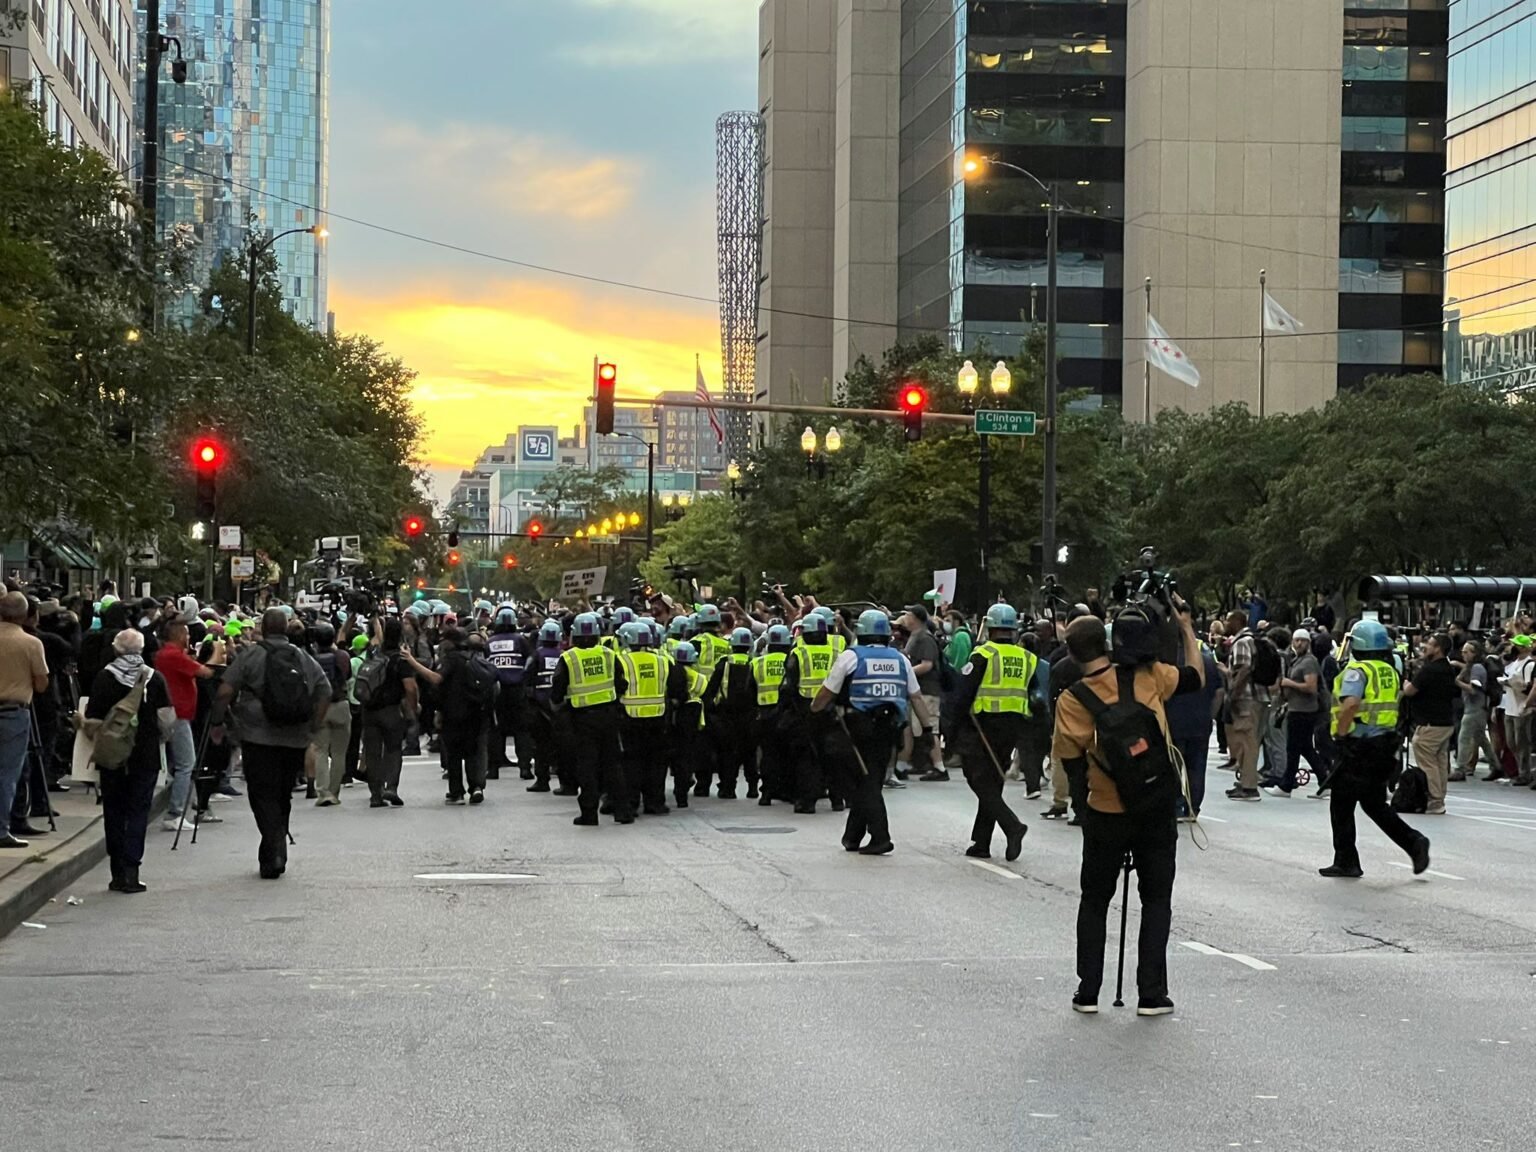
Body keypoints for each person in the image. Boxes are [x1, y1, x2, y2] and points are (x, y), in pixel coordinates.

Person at [1052, 602, 1206, 1017]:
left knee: (1095, 899)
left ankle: (1088, 989)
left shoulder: (1072, 700)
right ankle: (1152, 993)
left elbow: (1068, 762)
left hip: (1105, 810)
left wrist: (1083, 810)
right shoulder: (1149, 675)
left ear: (1071, 654)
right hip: (1155, 806)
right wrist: (1186, 630)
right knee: (1156, 899)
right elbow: (1195, 677)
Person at [211, 609, 331, 879]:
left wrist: (220, 720)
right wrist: (313, 725)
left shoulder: (251, 656)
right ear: (286, 629)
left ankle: (274, 845)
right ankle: (275, 846)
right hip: (294, 737)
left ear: (262, 628)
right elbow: (325, 691)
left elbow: (225, 691)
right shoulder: (302, 657)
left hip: (257, 736)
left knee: (261, 794)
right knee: (282, 793)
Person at [811, 610, 935, 856]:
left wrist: (813, 711)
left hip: (856, 729)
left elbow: (827, 692)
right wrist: (928, 730)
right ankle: (853, 836)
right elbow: (916, 697)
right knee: (872, 778)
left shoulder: (851, 657)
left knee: (859, 782)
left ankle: (880, 836)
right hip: (890, 730)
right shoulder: (900, 659)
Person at [1320, 619, 1431, 878]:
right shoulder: (1388, 670)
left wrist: (1340, 731)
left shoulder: (1356, 671)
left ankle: (1347, 860)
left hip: (1359, 746)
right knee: (1374, 804)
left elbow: (1350, 705)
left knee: (1341, 804)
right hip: (1383, 746)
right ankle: (1413, 842)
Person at [83, 629, 173, 892]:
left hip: (113, 756)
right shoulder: (154, 679)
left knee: (113, 809)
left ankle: (117, 870)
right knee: (137, 811)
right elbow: (167, 720)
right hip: (145, 755)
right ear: (142, 649)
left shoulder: (105, 678)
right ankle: (132, 869)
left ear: (116, 649)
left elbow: (94, 720)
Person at [953, 603, 1033, 861]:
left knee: (978, 779)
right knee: (993, 782)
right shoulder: (1026, 657)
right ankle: (981, 842)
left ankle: (1012, 826)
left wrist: (951, 733)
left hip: (981, 726)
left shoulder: (983, 654)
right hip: (1012, 728)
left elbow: (963, 695)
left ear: (990, 627)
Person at [550, 612, 630, 825]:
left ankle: (589, 813)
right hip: (609, 716)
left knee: (587, 766)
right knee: (613, 765)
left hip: (582, 719)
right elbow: (622, 683)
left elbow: (557, 690)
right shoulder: (609, 654)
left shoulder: (569, 658)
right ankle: (623, 811)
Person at [406, 626, 495, 805]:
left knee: (454, 754)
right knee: (472, 752)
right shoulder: (474, 657)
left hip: (454, 712)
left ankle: (457, 792)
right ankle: (476, 787)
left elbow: (437, 679)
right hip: (476, 711)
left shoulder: (451, 659)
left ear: (450, 641)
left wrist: (412, 661)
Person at [151, 617, 218, 831]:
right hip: (178, 715)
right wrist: (217, 650)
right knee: (186, 763)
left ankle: (183, 806)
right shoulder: (172, 655)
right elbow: (206, 672)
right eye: (187, 633)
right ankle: (175, 812)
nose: (189, 637)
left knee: (180, 763)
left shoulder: (170, 655)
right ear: (179, 635)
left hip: (178, 713)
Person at [617, 621, 685, 815]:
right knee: (656, 764)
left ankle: (631, 802)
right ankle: (655, 802)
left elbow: (616, 687)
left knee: (631, 763)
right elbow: (677, 688)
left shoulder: (621, 661)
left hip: (630, 719)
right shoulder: (663, 661)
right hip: (658, 719)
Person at [0, 591, 51, 849]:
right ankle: (2, 828)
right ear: (25, 615)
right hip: (14, 710)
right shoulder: (31, 643)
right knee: (8, 773)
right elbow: (42, 683)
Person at [780, 611, 841, 811]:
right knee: (833, 755)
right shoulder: (836, 649)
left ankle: (808, 801)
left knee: (807, 757)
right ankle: (837, 799)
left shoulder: (799, 652)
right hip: (832, 709)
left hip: (805, 710)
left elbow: (788, 686)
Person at [1164, 614, 1222, 819]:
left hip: (1173, 720)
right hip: (1201, 721)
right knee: (1197, 766)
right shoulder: (1207, 660)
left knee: (1174, 766)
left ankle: (1177, 803)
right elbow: (1218, 692)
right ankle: (1193, 806)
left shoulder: (1167, 662)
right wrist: (1211, 716)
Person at [360, 617, 419, 808]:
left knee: (372, 753)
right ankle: (391, 787)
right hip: (391, 710)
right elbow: (410, 687)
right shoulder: (400, 659)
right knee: (393, 750)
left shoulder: (373, 653)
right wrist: (411, 708)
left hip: (369, 710)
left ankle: (375, 794)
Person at [1400, 632, 1459, 815]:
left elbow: (1410, 691)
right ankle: (1439, 797)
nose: (1425, 646)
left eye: (1430, 644)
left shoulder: (1429, 670)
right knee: (1440, 761)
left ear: (1438, 648)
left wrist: (1405, 683)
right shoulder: (1449, 669)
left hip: (1429, 723)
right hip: (1445, 721)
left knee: (1427, 762)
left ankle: (1434, 799)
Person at [1267, 627, 1326, 798]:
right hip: (1296, 708)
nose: (1298, 643)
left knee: (1293, 748)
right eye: (1296, 640)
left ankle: (1286, 786)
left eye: (1302, 640)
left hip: (1303, 711)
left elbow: (1311, 687)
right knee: (1306, 748)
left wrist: (1289, 683)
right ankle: (1325, 781)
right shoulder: (1297, 660)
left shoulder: (1309, 662)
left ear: (1308, 643)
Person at [705, 627, 758, 799]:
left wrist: (709, 707)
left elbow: (712, 688)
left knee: (727, 752)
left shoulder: (724, 662)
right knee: (749, 752)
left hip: (725, 714)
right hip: (749, 714)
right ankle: (752, 788)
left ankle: (727, 788)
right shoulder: (754, 662)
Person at [307, 622, 353, 807]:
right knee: (339, 752)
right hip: (340, 703)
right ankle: (334, 791)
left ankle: (323, 791)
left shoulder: (311, 659)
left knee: (320, 750)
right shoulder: (342, 656)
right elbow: (347, 676)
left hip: (320, 706)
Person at [487, 608, 534, 779]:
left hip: (496, 690)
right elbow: (530, 659)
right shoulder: (520, 640)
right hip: (517, 689)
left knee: (496, 730)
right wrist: (524, 676)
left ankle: (493, 769)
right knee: (521, 730)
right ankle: (525, 768)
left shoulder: (490, 642)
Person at [751, 624, 793, 807]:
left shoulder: (757, 662)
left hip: (765, 713)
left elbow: (749, 691)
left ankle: (766, 793)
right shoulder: (793, 660)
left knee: (768, 754)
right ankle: (786, 791)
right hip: (787, 713)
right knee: (788, 753)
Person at [526, 619, 569, 793]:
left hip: (539, 707)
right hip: (559, 706)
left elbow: (527, 676)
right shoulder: (564, 655)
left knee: (541, 746)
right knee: (562, 746)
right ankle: (565, 782)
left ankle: (542, 780)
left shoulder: (537, 655)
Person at [1453, 640, 1498, 781]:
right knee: (1481, 739)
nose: (1464, 654)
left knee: (1464, 738)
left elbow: (1474, 690)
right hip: (1474, 708)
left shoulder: (1477, 668)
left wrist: (1457, 682)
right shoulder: (1471, 667)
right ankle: (1496, 765)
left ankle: (1460, 768)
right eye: (1463, 652)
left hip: (1475, 708)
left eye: (1467, 652)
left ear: (1475, 653)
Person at [1499, 635, 1536, 785]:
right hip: (1509, 706)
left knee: (1522, 742)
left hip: (1521, 707)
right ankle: (1520, 769)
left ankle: (1524, 773)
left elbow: (1528, 685)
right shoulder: (1514, 663)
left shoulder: (1529, 665)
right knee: (1511, 741)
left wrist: (1527, 704)